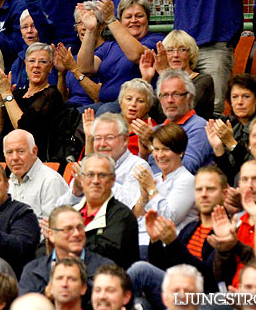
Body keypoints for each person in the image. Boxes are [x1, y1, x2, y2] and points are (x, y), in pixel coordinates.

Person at [128, 166, 229, 304]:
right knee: (140, 303)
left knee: (140, 271)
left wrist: (173, 243)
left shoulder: (226, 232)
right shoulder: (190, 228)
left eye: (210, 189)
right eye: (199, 189)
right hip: (175, 293)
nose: (204, 194)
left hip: (204, 300)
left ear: (224, 194)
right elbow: (162, 266)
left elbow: (208, 279)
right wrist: (155, 240)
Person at [77, 0, 164, 108]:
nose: (134, 20)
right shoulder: (109, 46)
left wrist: (110, 20)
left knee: (105, 110)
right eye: (128, 17)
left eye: (139, 16)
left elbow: (136, 55)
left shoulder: (156, 40)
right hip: (104, 104)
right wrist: (90, 30)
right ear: (121, 21)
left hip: (135, 106)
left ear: (147, 19)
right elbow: (85, 68)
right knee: (71, 116)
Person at [58, 154, 140, 269]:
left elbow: (105, 253)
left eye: (102, 175)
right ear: (81, 179)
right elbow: (43, 249)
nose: (95, 181)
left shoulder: (122, 215)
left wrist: (63, 242)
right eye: (90, 175)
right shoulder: (71, 213)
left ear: (112, 180)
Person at [19, 206, 113, 304]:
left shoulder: (105, 269)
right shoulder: (33, 270)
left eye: (80, 228)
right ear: (51, 235)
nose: (76, 233)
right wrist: (46, 296)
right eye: (68, 229)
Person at [61, 112, 151, 209]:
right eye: (98, 138)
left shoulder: (139, 167)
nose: (102, 144)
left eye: (109, 138)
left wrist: (97, 180)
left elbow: (128, 208)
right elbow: (61, 207)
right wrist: (76, 193)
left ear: (125, 140)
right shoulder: (89, 165)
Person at [0, 42, 64, 156]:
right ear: (25, 64)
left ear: (50, 67)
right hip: (3, 156)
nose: (36, 65)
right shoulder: (17, 94)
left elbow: (23, 129)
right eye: (32, 61)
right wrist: (0, 99)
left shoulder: (52, 95)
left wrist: (6, 94)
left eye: (43, 62)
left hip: (29, 158)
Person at [133, 124, 197, 250]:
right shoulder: (155, 178)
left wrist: (151, 189)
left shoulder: (187, 180)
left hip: (168, 249)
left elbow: (169, 218)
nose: (160, 155)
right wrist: (144, 197)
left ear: (180, 152)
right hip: (142, 242)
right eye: (156, 149)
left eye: (166, 149)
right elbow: (135, 219)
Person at [147, 69, 213, 175]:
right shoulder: (156, 130)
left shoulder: (200, 127)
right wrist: (145, 148)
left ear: (189, 98)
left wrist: (150, 147)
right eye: (164, 95)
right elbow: (142, 168)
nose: (169, 100)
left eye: (176, 94)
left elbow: (186, 168)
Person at [140, 30, 215, 120]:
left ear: (191, 53)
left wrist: (165, 74)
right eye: (170, 50)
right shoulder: (163, 81)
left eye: (182, 50)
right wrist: (146, 79)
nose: (175, 55)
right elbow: (145, 111)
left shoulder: (204, 80)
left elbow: (174, 112)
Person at [206, 74, 256, 172]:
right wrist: (218, 147)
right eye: (235, 97)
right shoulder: (235, 127)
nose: (239, 102)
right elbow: (229, 175)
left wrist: (230, 142)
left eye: (246, 96)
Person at [5, 129, 68, 219]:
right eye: (9, 152)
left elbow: (54, 227)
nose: (14, 158)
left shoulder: (50, 181)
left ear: (34, 152)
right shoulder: (10, 183)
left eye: (20, 151)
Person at [55, 3, 105, 108]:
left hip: (90, 111)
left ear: (101, 26)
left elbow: (99, 97)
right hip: (69, 110)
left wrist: (74, 70)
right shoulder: (73, 58)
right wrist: (61, 73)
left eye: (88, 21)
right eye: (80, 23)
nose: (83, 27)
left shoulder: (109, 53)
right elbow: (62, 100)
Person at [115, 79, 156, 158]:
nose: (133, 104)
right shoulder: (111, 126)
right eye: (129, 99)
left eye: (140, 101)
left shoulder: (150, 130)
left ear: (148, 107)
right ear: (120, 102)